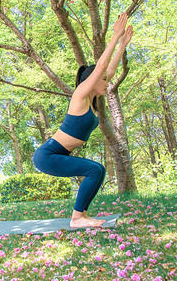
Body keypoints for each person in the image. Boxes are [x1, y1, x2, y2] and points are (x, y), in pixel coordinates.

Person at [33, 13, 133, 229]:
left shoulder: (93, 100)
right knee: (95, 170)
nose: (108, 82)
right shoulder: (80, 96)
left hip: (58, 154)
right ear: (92, 81)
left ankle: (81, 215)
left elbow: (108, 69)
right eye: (104, 80)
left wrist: (123, 44)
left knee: (98, 170)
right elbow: (100, 69)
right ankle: (77, 218)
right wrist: (115, 36)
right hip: (47, 155)